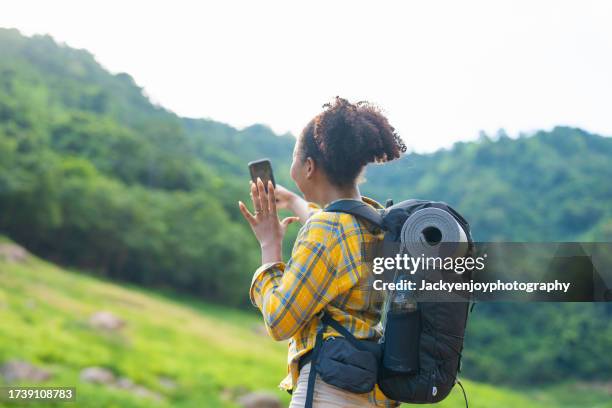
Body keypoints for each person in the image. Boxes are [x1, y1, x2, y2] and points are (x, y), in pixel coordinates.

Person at [238, 97, 406, 407]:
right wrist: (292, 201)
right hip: (370, 390)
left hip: (328, 392)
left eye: (294, 158)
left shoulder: (326, 230)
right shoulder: (376, 221)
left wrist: (269, 246)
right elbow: (331, 229)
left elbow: (279, 321)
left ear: (309, 166)